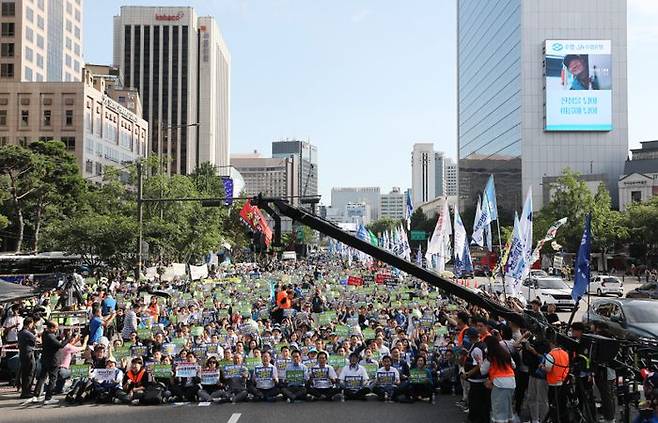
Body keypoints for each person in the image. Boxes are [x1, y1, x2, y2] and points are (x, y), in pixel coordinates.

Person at [480, 335, 516, 423]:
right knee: (508, 408)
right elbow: (513, 365)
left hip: (499, 384)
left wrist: (479, 362)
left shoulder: (490, 357)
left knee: (498, 409)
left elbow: (483, 371)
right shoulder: (506, 354)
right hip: (511, 382)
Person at [32, 320, 66, 405]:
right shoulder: (50, 336)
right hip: (53, 360)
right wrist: (68, 339)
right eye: (56, 328)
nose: (57, 329)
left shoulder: (45, 334)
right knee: (52, 379)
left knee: (42, 377)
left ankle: (35, 396)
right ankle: (48, 398)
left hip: (45, 359)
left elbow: (54, 340)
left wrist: (59, 337)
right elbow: (60, 345)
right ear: (51, 328)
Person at [462, 327, 490, 423]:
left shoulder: (477, 348)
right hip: (480, 379)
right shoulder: (480, 345)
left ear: (470, 337)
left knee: (475, 402)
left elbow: (479, 365)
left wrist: (468, 374)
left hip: (477, 380)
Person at [542, 333, 570, 423]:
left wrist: (542, 367)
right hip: (564, 382)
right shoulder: (565, 353)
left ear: (551, 343)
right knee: (563, 406)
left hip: (553, 384)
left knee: (554, 407)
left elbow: (548, 369)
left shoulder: (551, 355)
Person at [17, 317, 36, 399]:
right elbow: (36, 340)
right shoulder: (27, 333)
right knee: (29, 372)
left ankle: (26, 390)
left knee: (25, 373)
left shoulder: (20, 332)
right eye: (32, 323)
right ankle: (26, 391)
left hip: (23, 353)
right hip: (28, 354)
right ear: (29, 323)